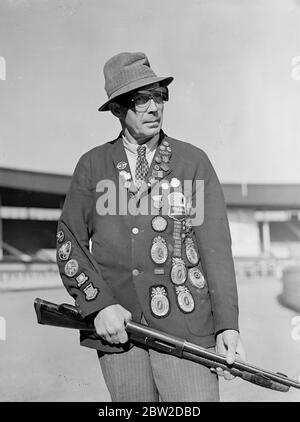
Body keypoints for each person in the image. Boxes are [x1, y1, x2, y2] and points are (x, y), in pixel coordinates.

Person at [56, 51, 246, 402]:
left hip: (188, 330)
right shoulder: (92, 165)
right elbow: (70, 242)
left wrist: (227, 324)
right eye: (141, 100)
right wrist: (98, 306)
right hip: (119, 331)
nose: (154, 107)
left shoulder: (193, 162)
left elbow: (216, 249)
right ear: (116, 109)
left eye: (158, 96)